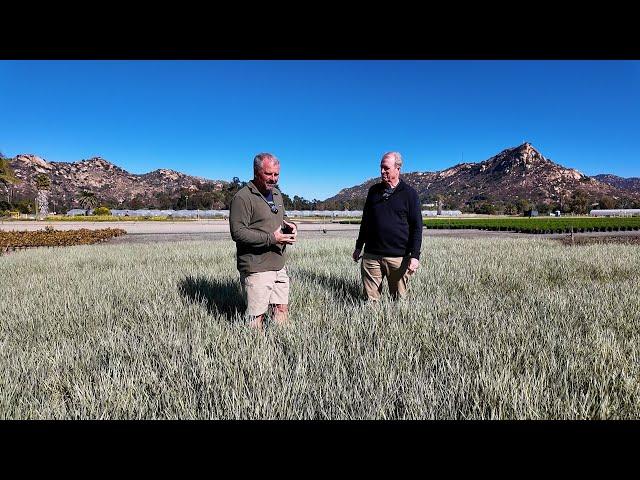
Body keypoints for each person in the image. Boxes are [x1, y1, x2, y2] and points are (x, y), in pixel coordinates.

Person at [229, 153, 297, 328]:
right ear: (256, 172)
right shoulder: (243, 197)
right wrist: (271, 238)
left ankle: (279, 345)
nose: (273, 179)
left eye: (276, 174)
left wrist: (291, 226)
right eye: (269, 174)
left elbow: (283, 217)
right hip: (256, 266)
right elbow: (238, 233)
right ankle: (256, 351)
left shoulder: (276, 194)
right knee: (256, 317)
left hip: (278, 264)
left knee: (281, 308)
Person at [352, 151, 422, 301]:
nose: (382, 171)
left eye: (386, 168)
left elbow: (417, 226)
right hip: (371, 255)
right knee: (370, 301)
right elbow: (366, 221)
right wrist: (359, 247)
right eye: (381, 168)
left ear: (398, 168)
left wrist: (415, 256)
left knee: (399, 300)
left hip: (398, 257)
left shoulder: (410, 194)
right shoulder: (373, 191)